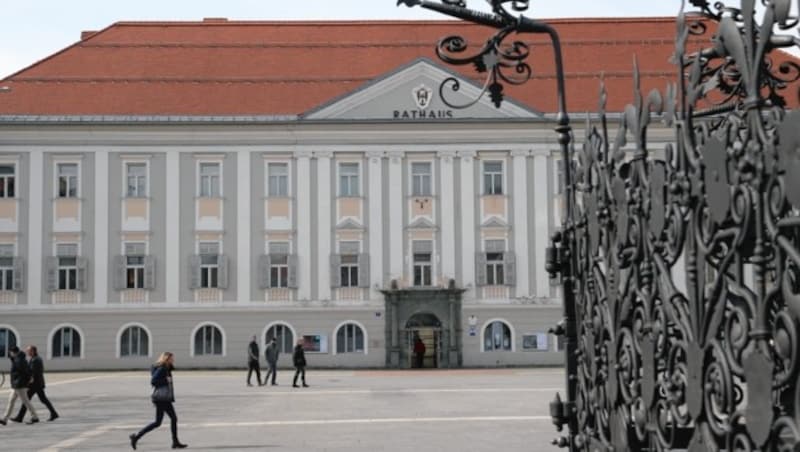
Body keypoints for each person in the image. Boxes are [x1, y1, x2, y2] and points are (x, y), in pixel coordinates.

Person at [129, 352, 187, 450]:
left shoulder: (167, 368)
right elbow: (153, 381)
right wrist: (166, 381)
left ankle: (137, 437)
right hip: (161, 398)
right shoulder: (162, 369)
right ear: (166, 359)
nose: (173, 360)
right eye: (171, 358)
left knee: (160, 422)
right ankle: (174, 442)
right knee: (170, 419)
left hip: (164, 398)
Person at [11, 345, 58, 422]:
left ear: (32, 351)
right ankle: (54, 413)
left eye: (28, 351)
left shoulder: (36, 360)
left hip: (35, 384)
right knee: (41, 400)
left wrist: (27, 381)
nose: (27, 352)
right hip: (38, 384)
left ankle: (20, 417)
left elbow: (33, 372)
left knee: (26, 400)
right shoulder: (35, 359)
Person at [0, 346, 38, 425]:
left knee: (26, 402)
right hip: (16, 384)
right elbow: (16, 364)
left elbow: (25, 371)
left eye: (10, 352)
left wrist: (29, 378)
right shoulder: (18, 359)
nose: (10, 354)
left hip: (19, 385)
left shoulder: (19, 360)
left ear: (14, 352)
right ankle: (4, 419)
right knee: (11, 401)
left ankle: (35, 417)